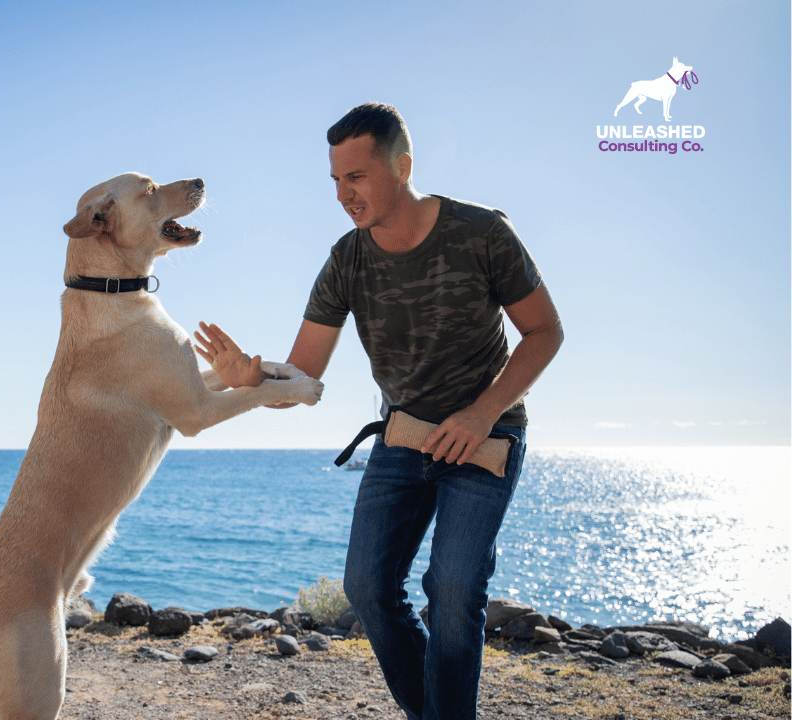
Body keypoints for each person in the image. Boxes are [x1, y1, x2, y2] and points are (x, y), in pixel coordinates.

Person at [194, 102, 563, 720]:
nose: (343, 194)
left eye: (356, 178)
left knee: (452, 593)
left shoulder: (482, 234)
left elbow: (545, 331)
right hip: (403, 439)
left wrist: (481, 413)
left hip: (485, 437)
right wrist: (252, 380)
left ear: (403, 167)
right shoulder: (347, 259)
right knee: (366, 588)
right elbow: (304, 375)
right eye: (336, 180)